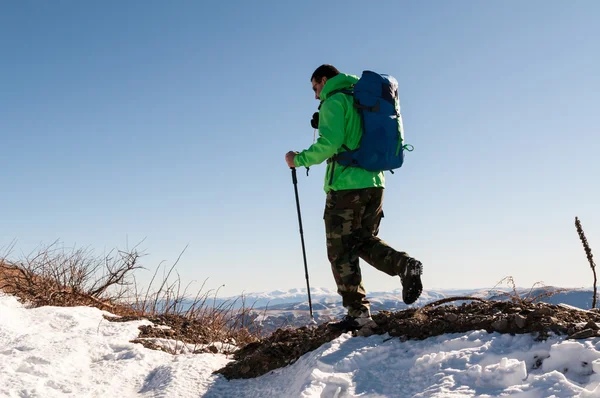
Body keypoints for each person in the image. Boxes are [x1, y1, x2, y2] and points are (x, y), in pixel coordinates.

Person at [285, 64, 423, 332]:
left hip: (347, 187)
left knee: (340, 251)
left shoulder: (334, 101)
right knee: (362, 240)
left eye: (315, 87)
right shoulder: (360, 99)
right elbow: (354, 134)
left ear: (324, 80)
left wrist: (297, 160)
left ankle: (358, 315)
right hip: (375, 184)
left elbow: (330, 144)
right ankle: (405, 266)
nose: (315, 96)